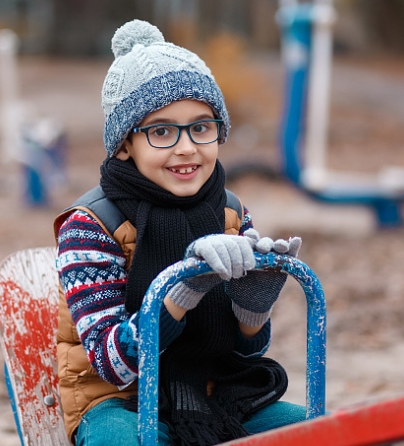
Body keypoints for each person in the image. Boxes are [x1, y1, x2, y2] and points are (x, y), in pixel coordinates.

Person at [54, 19, 304, 446]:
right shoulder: (90, 226)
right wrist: (183, 288)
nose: (187, 147)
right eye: (162, 131)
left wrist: (253, 308)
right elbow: (114, 365)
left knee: (327, 430)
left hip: (214, 392)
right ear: (124, 145)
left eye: (201, 127)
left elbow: (246, 353)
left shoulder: (230, 212)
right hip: (117, 401)